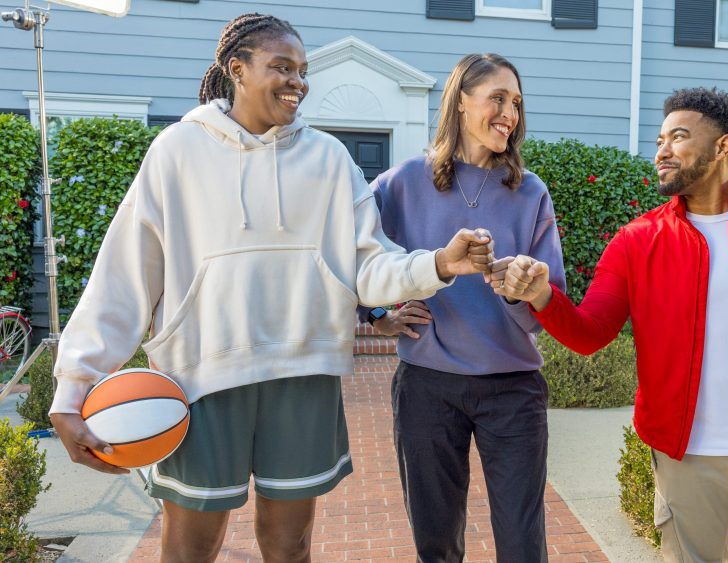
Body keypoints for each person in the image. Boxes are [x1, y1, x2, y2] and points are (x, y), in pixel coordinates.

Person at [47, 13, 492, 562]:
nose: (297, 82)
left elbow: (370, 268)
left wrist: (439, 265)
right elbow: (122, 278)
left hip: (302, 375)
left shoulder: (329, 159)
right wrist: (73, 389)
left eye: (303, 71)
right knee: (190, 548)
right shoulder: (176, 151)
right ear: (237, 68)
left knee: (290, 546)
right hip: (200, 379)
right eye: (282, 67)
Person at [492, 87, 728, 563]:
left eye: (679, 137)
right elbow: (590, 334)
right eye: (659, 140)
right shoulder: (637, 240)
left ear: (722, 147)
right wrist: (540, 295)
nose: (662, 151)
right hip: (684, 455)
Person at [359, 53, 566, 563]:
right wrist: (378, 317)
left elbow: (552, 302)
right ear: (460, 103)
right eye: (497, 98)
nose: (510, 114)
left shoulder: (531, 191)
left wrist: (520, 288)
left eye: (516, 103)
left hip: (513, 389)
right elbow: (353, 263)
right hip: (428, 386)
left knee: (522, 544)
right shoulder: (401, 183)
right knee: (435, 541)